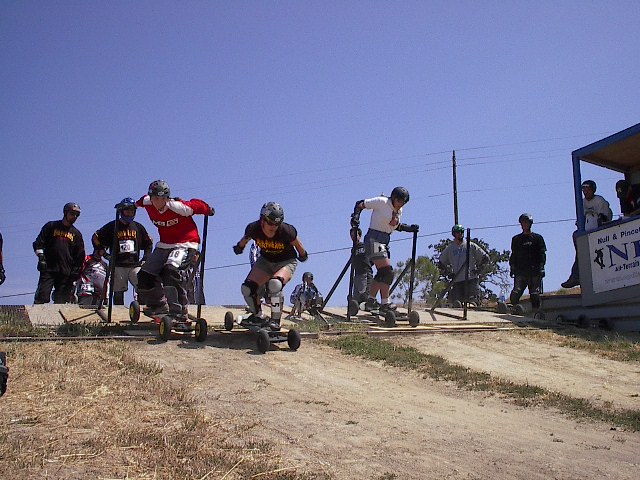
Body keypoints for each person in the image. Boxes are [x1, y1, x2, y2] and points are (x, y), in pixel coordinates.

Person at [135, 180, 214, 320]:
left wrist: (208, 209)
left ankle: (179, 311)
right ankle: (158, 305)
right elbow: (138, 202)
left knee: (171, 270)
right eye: (155, 198)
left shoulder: (178, 207)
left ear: (167, 198)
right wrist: (131, 205)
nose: (158, 202)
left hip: (186, 243)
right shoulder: (147, 202)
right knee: (144, 275)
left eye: (161, 199)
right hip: (165, 244)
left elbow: (196, 205)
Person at [233, 202, 308, 330]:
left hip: (286, 261)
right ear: (262, 220)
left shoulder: (286, 231)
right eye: (270, 223)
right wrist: (239, 247)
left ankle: (275, 321)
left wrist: (303, 255)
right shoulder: (254, 228)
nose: (273, 227)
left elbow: (297, 244)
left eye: (277, 224)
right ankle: (258, 315)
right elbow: (245, 239)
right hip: (266, 260)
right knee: (247, 288)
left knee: (275, 284)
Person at [350, 186, 418, 313]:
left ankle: (370, 301)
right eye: (399, 201)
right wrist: (355, 218)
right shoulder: (382, 202)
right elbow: (360, 204)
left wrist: (409, 228)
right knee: (388, 272)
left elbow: (394, 226)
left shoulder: (399, 211)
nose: (401, 204)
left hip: (385, 241)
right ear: (393, 198)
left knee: (382, 273)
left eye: (404, 202)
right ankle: (385, 303)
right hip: (373, 239)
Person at [92, 197, 153, 305]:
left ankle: (143, 309)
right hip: (118, 265)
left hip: (135, 265)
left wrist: (145, 258)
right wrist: (103, 252)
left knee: (143, 287)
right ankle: (118, 312)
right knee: (118, 292)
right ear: (121, 211)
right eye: (127, 211)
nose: (129, 213)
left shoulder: (138, 227)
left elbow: (148, 243)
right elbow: (96, 237)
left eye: (132, 211)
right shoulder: (112, 226)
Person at [561, 180, 613, 288]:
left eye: (588, 189)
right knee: (579, 249)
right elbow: (580, 221)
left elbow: (604, 218)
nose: (585, 191)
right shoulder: (582, 202)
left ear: (593, 190)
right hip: (586, 232)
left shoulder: (599, 201)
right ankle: (575, 277)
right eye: (584, 189)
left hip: (600, 232)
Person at [33, 202, 85, 304]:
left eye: (77, 215)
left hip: (66, 272)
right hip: (49, 268)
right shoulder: (51, 226)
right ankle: (36, 313)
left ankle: (58, 315)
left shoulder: (76, 234)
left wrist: (75, 273)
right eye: (72, 214)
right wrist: (41, 257)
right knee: (42, 296)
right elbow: (38, 244)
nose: (74, 217)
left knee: (61, 300)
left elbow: (80, 256)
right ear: (65, 213)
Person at [438, 224, 489, 307]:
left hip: (471, 279)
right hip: (457, 281)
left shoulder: (470, 245)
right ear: (454, 234)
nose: (460, 234)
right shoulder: (450, 248)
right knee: (457, 304)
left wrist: (479, 269)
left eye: (461, 232)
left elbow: (485, 258)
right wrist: (448, 273)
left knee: (473, 303)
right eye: (458, 232)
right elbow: (440, 263)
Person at [509, 213, 547, 311]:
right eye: (523, 223)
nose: (524, 225)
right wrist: (512, 267)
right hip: (520, 271)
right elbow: (513, 255)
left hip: (534, 271)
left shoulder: (537, 238)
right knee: (516, 292)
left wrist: (541, 267)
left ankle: (536, 313)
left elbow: (542, 254)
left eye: (526, 222)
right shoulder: (516, 239)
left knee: (534, 294)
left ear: (530, 224)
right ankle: (514, 310)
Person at [350, 227, 372, 304]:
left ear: (359, 236)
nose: (353, 237)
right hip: (357, 275)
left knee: (363, 297)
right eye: (352, 236)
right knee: (355, 299)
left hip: (364, 274)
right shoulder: (353, 249)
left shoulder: (364, 246)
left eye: (355, 235)